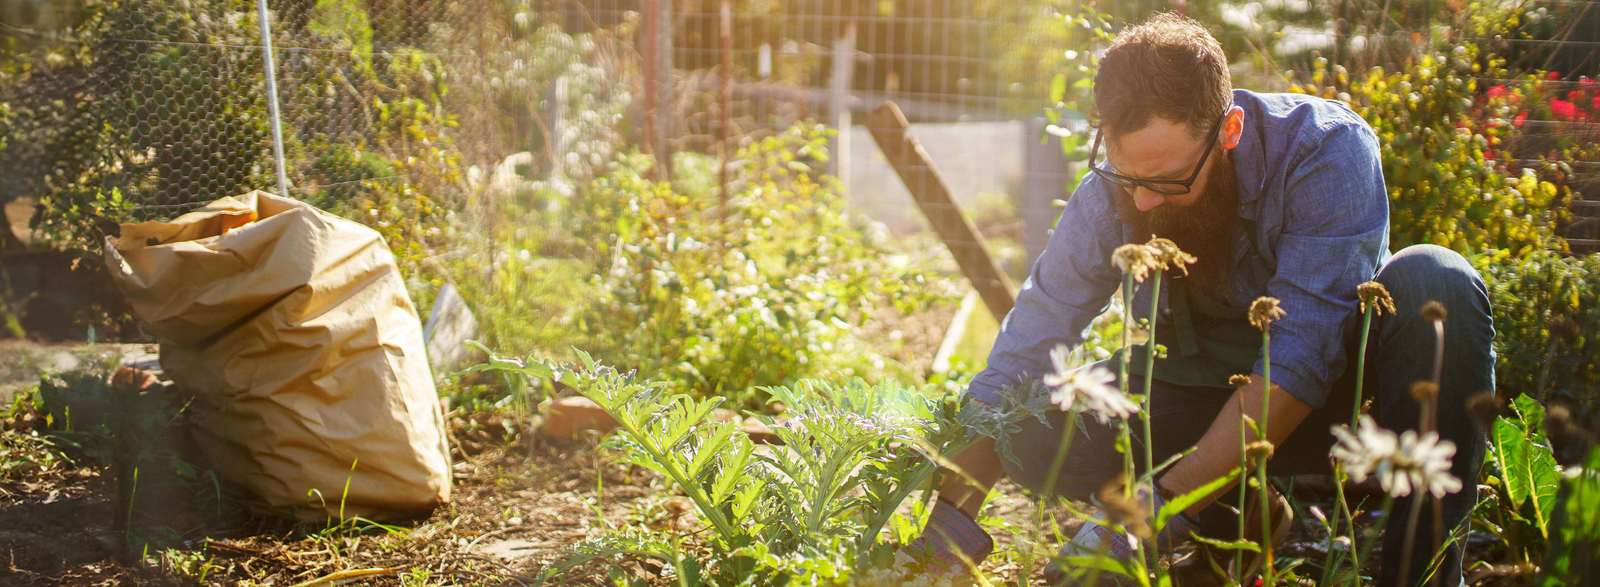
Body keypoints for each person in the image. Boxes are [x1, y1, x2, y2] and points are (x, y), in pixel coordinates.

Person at [901, 12, 1493, 587]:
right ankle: (1245, 519)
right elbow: (1030, 341)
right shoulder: (1117, 188)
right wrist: (945, 527)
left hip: (1338, 406)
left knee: (1436, 279)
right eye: (1126, 176)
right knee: (1028, 425)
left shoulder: (1324, 151)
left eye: (1166, 183)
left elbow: (1301, 356)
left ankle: (1423, 572)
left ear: (1228, 131)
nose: (1144, 202)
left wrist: (1152, 511)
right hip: (1199, 395)